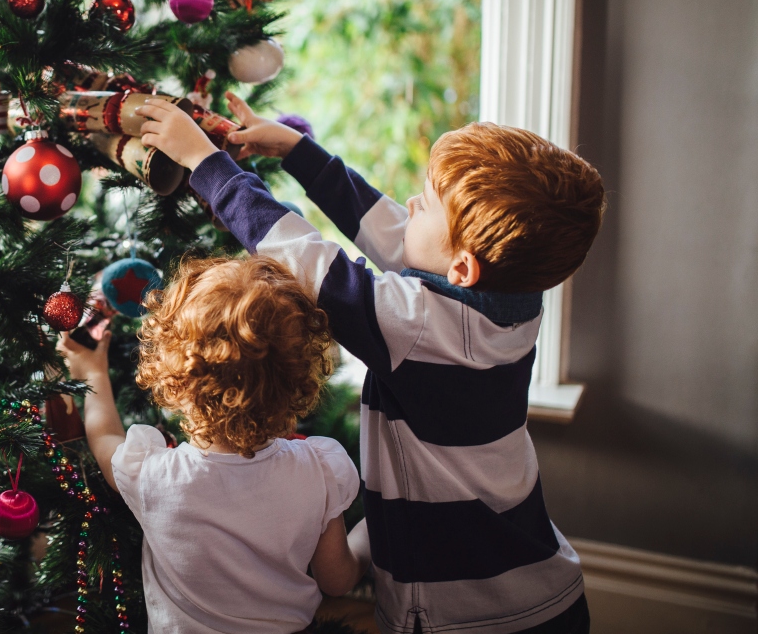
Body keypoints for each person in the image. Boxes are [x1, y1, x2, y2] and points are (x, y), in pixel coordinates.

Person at [136, 93, 605, 634]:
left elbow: (305, 258)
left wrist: (205, 164)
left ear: (462, 267)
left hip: (472, 615)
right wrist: (298, 151)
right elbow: (390, 230)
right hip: (543, 590)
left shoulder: (419, 329)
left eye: (425, 204)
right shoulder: (510, 304)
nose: (408, 203)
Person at [58, 254, 367, 634]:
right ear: (297, 379)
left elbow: (104, 435)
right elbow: (337, 579)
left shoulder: (155, 476)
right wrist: (370, 536)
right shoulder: (318, 470)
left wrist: (92, 371)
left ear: (177, 379)